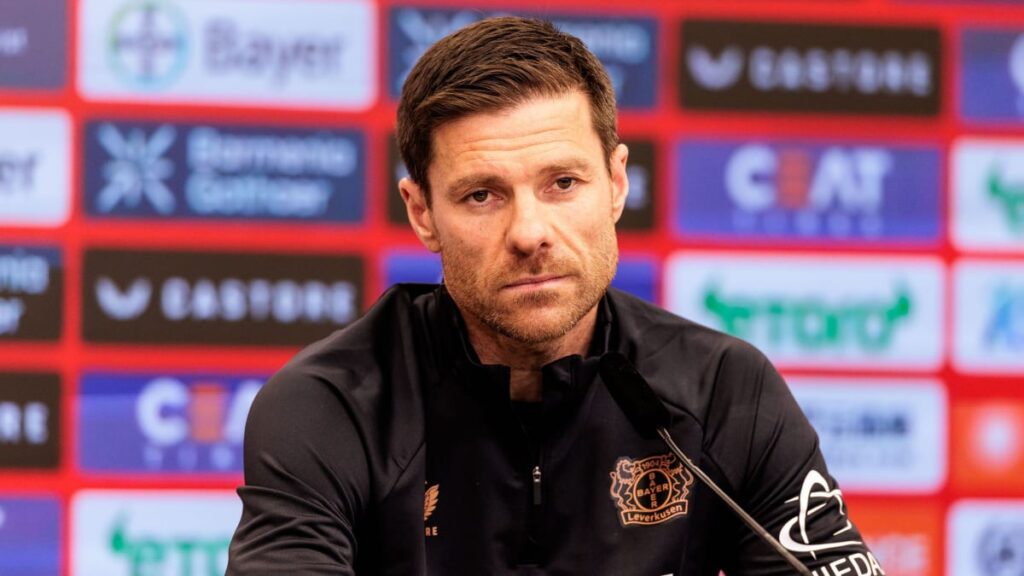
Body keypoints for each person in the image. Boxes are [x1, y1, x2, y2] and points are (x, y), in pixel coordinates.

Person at [228, 16, 884, 576]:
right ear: (422, 212)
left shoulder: (723, 391)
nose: (529, 232)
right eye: (481, 195)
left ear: (617, 183)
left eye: (563, 183)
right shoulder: (333, 404)